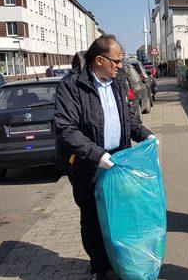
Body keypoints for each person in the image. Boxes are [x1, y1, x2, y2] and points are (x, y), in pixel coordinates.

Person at [54, 34, 158, 280]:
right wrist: (97, 155)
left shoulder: (119, 82)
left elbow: (129, 118)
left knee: (119, 216)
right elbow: (66, 129)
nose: (121, 66)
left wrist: (146, 135)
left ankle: (121, 261)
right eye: (117, 61)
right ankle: (100, 267)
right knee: (92, 218)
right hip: (87, 165)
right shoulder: (71, 86)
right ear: (99, 60)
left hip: (118, 163)